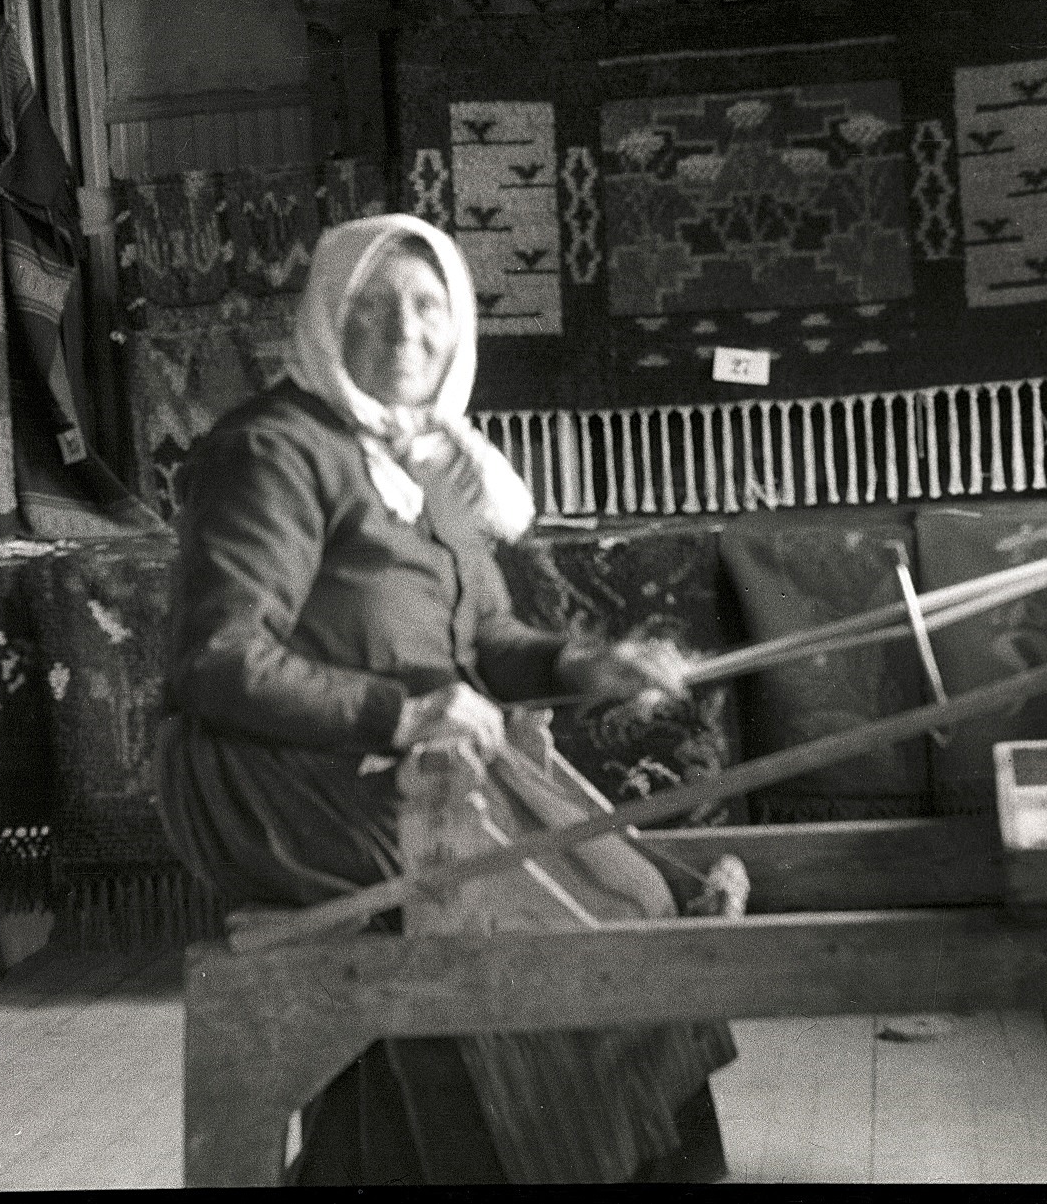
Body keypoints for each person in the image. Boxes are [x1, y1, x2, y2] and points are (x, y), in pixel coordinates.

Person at [156, 213, 737, 1184]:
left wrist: (587, 664)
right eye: (371, 307)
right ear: (325, 320)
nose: (404, 332)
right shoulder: (274, 450)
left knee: (631, 896)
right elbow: (216, 658)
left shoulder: (434, 465)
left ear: (460, 322)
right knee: (526, 926)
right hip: (274, 775)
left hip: (407, 767)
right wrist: (401, 712)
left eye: (428, 305)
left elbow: (488, 642)